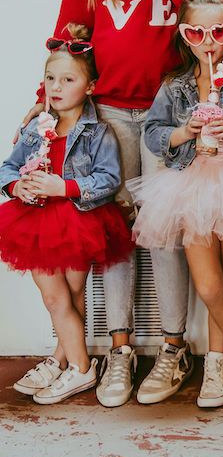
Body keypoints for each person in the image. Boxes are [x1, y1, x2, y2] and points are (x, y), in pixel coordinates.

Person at [20, 0, 223, 407]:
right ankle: (117, 350)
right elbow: (73, 32)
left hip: (172, 108)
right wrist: (47, 96)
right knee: (115, 230)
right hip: (109, 111)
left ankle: (172, 348)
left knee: (165, 231)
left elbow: (220, 10)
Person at [130, 0, 223, 408]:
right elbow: (153, 132)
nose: (207, 42)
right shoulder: (175, 86)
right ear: (185, 38)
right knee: (209, 286)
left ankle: (216, 361)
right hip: (190, 186)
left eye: (218, 32)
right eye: (197, 33)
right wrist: (182, 132)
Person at [0, 28, 132, 403]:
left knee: (73, 295)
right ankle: (82, 368)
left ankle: (62, 359)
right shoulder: (34, 127)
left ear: (90, 86)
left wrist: (65, 188)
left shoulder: (97, 132)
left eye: (68, 80)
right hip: (34, 223)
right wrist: (15, 187)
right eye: (50, 79)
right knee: (56, 299)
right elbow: (7, 169)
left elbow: (108, 178)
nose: (56, 87)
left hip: (78, 218)